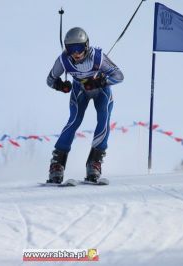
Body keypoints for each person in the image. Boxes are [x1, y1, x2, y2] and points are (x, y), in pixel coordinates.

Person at [46, 27, 124, 184]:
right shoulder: (64, 60)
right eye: (71, 49)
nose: (76, 53)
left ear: (86, 46)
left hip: (101, 90)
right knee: (74, 120)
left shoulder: (97, 57)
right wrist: (60, 86)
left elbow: (119, 76)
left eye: (79, 48)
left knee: (104, 118)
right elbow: (49, 79)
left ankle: (94, 162)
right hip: (79, 90)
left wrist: (99, 81)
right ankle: (57, 164)